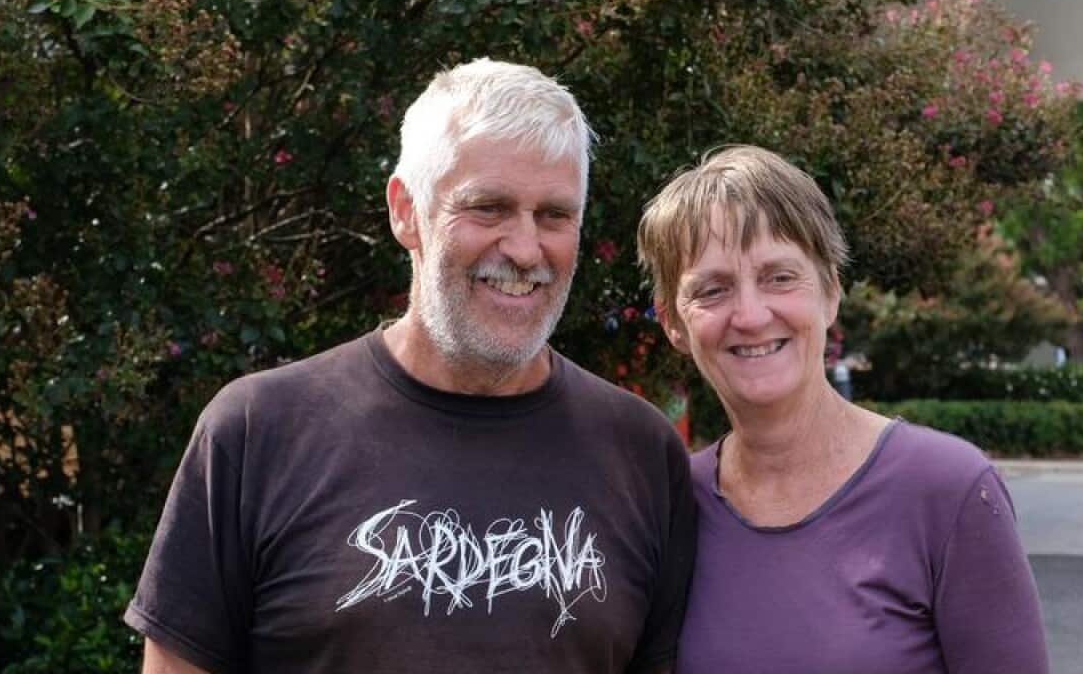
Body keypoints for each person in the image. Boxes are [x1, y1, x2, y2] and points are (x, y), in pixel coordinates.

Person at [125, 59, 696, 674]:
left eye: (554, 215)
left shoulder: (640, 453)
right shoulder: (257, 431)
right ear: (405, 210)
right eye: (488, 208)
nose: (526, 248)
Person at [637, 145, 1047, 674]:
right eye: (713, 290)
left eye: (779, 277)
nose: (751, 314)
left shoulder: (950, 491)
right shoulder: (674, 506)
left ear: (831, 292)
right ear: (673, 322)